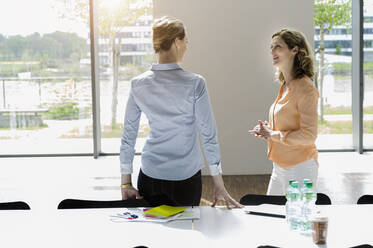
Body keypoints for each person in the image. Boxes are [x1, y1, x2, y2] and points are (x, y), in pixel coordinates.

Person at [120, 16, 242, 208]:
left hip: (150, 176)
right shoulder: (195, 83)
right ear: (177, 42)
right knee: (187, 234)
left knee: (153, 234)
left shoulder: (138, 85)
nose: (186, 46)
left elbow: (128, 136)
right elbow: (209, 135)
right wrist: (219, 184)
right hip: (186, 179)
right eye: (186, 41)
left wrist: (125, 182)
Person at [249, 29, 319, 195]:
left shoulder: (306, 88)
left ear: (295, 50)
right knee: (271, 216)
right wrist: (267, 130)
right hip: (279, 166)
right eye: (271, 47)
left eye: (278, 47)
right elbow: (287, 123)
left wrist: (272, 134)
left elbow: (309, 135)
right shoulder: (286, 85)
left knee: (298, 219)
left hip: (299, 168)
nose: (272, 52)